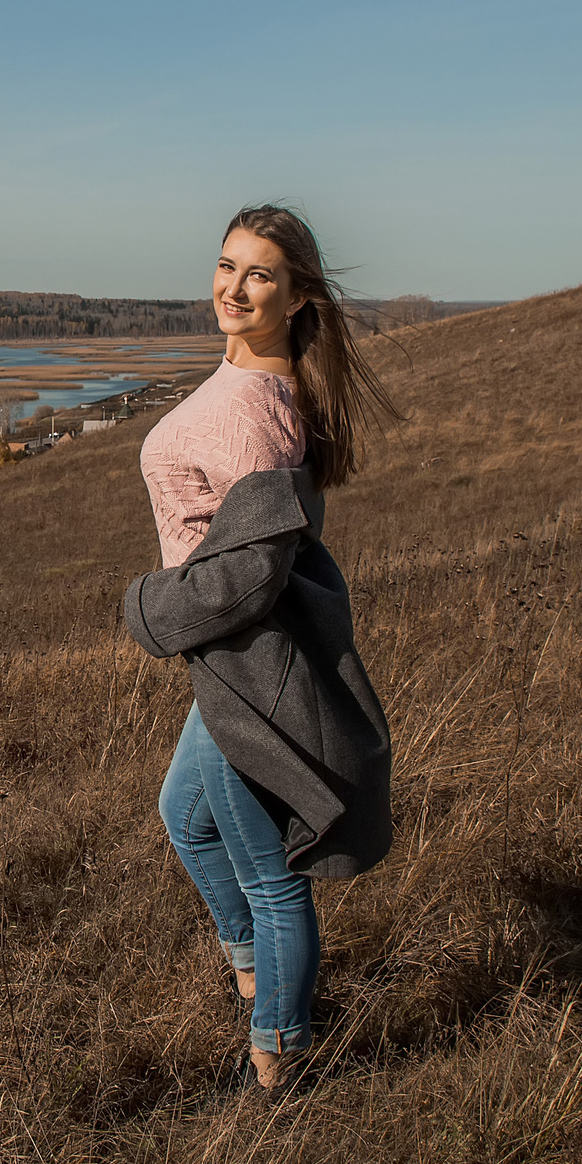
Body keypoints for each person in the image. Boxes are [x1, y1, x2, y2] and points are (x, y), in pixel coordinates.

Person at [125, 204, 400, 1097]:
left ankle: (278, 1062)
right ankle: (256, 983)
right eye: (227, 265)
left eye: (259, 275)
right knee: (187, 816)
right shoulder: (249, 376)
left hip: (246, 658)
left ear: (297, 295)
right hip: (227, 656)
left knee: (271, 875)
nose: (234, 288)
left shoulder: (255, 413)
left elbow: (252, 575)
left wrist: (149, 609)